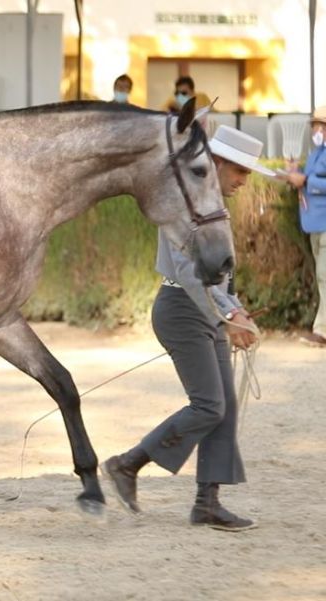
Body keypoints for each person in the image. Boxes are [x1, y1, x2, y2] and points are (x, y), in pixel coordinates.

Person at [102, 125, 275, 532]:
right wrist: (226, 316)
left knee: (224, 410)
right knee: (209, 406)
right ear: (219, 164)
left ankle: (207, 504)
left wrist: (236, 310)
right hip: (181, 309)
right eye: (241, 172)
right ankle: (128, 464)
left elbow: (218, 275)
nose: (244, 181)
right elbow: (189, 271)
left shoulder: (209, 204)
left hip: (202, 309)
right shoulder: (180, 204)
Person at [278, 106, 326, 345]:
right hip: (315, 223)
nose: (316, 130)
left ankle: (323, 330)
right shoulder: (317, 152)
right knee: (322, 276)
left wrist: (305, 179)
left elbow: (314, 182)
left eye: (320, 125)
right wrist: (294, 172)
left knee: (324, 276)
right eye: (315, 125)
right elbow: (306, 181)